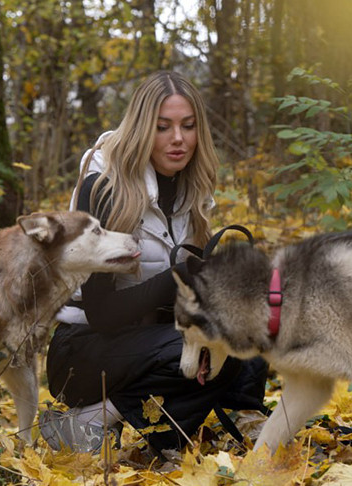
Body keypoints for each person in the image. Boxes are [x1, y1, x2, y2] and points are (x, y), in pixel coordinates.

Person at [39, 71, 267, 454]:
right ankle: (91, 420)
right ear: (143, 129)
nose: (178, 138)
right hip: (83, 351)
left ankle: (243, 415)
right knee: (204, 352)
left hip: (151, 340)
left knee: (245, 332)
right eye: (163, 127)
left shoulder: (193, 188)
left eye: (188, 126)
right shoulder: (105, 189)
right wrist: (180, 276)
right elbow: (102, 314)